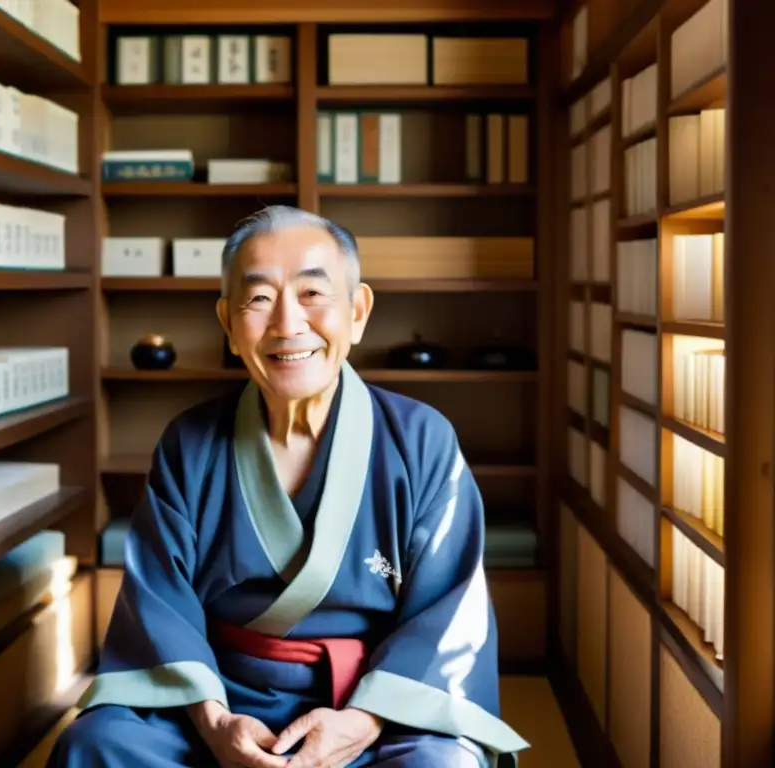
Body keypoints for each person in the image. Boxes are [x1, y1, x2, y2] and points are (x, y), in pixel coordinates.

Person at [49, 206, 529, 768]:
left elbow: (448, 615)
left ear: (358, 311)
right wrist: (216, 724)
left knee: (442, 765)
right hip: (218, 699)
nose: (286, 324)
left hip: (374, 711)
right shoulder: (191, 443)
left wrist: (361, 722)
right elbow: (158, 607)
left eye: (312, 294)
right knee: (96, 747)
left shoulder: (421, 442)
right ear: (228, 324)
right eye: (257, 299)